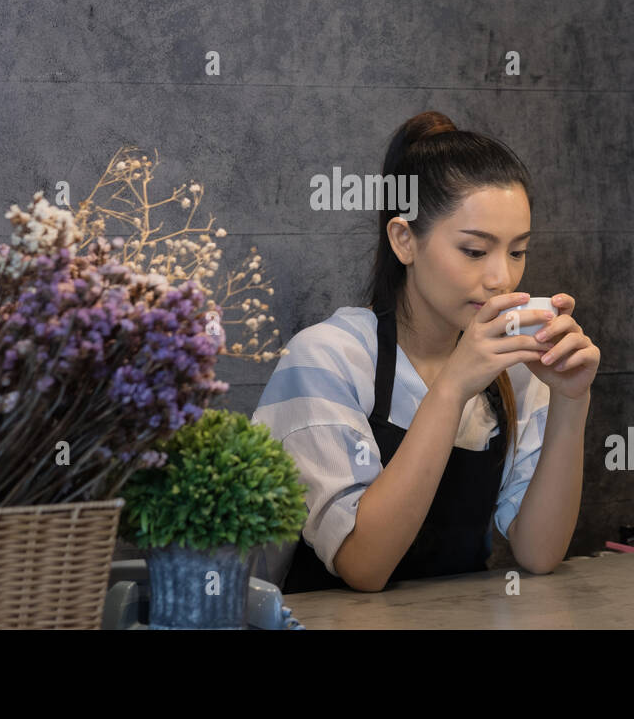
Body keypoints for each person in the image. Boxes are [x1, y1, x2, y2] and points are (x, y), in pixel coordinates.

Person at [252, 110, 599, 593]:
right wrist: (454, 387)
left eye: (517, 251)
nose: (502, 277)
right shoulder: (326, 359)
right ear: (404, 240)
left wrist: (571, 399)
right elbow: (363, 566)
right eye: (475, 251)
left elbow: (539, 553)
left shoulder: (517, 369)